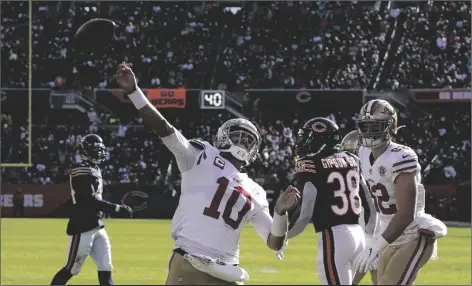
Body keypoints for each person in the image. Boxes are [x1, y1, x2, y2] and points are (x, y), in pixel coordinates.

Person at [115, 62, 300, 285]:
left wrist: (281, 212)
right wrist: (280, 213)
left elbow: (165, 129)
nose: (240, 141)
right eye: (238, 136)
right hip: (212, 266)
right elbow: (275, 243)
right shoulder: (249, 186)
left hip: (203, 263)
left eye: (245, 139)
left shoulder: (202, 156)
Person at [353, 99, 447, 285]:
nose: (370, 132)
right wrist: (369, 239)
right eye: (366, 126)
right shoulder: (362, 153)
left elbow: (405, 215)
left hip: (412, 234)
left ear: (390, 127)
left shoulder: (401, 157)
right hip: (385, 233)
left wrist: (375, 246)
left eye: (375, 126)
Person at [283, 118, 376, 285]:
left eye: (309, 138)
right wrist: (370, 237)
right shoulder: (352, 159)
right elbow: (370, 202)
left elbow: (305, 213)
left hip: (334, 237)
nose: (304, 142)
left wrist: (284, 237)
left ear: (321, 140)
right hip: (358, 235)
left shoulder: (310, 163)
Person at [50, 134, 133, 286]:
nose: (100, 153)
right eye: (96, 149)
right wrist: (116, 208)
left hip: (97, 225)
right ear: (85, 151)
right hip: (82, 226)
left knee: (106, 267)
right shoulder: (81, 170)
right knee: (72, 268)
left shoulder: (94, 169)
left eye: (100, 149)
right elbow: (89, 200)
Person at [340, 130, 379, 285]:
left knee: (370, 266)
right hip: (369, 222)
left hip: (374, 223)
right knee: (374, 268)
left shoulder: (365, 168)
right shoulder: (374, 166)